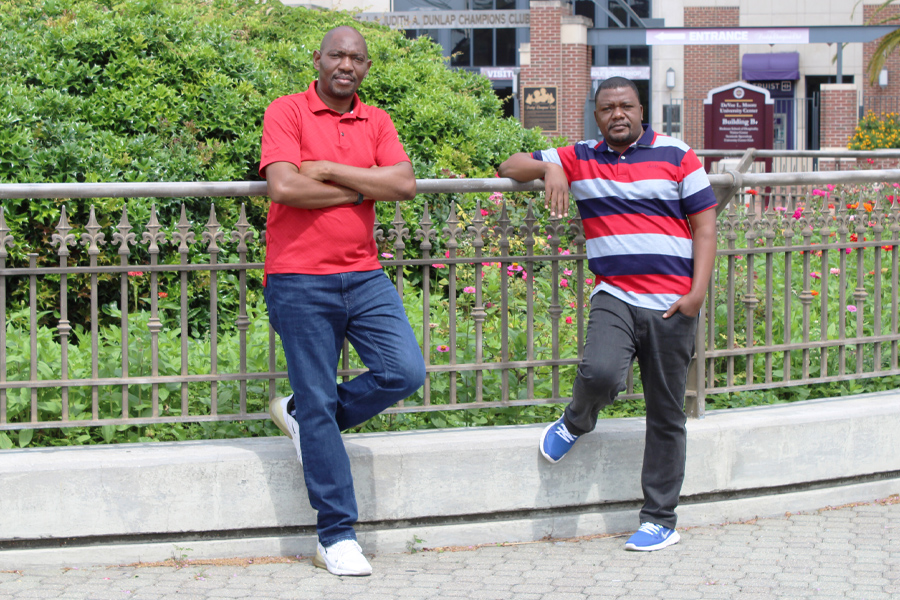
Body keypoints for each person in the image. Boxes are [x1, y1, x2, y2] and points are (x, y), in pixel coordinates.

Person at [498, 77, 717, 552]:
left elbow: (704, 228)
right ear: (595, 116)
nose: (617, 114)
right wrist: (548, 169)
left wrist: (696, 294)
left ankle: (659, 519)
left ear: (642, 110)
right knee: (599, 373)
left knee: (665, 413)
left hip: (672, 304)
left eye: (625, 106)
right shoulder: (580, 154)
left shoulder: (678, 154)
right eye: (606, 109)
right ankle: (577, 420)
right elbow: (509, 164)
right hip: (614, 293)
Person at [259, 25, 425, 576]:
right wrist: (365, 184)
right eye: (337, 54)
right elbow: (285, 188)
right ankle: (336, 535)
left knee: (404, 371)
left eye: (356, 57)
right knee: (319, 398)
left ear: (366, 67)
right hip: (298, 278)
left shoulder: (375, 120)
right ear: (319, 60)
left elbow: (402, 184)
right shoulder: (286, 111)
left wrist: (329, 171)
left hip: (364, 275)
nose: (345, 64)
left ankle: (308, 417)